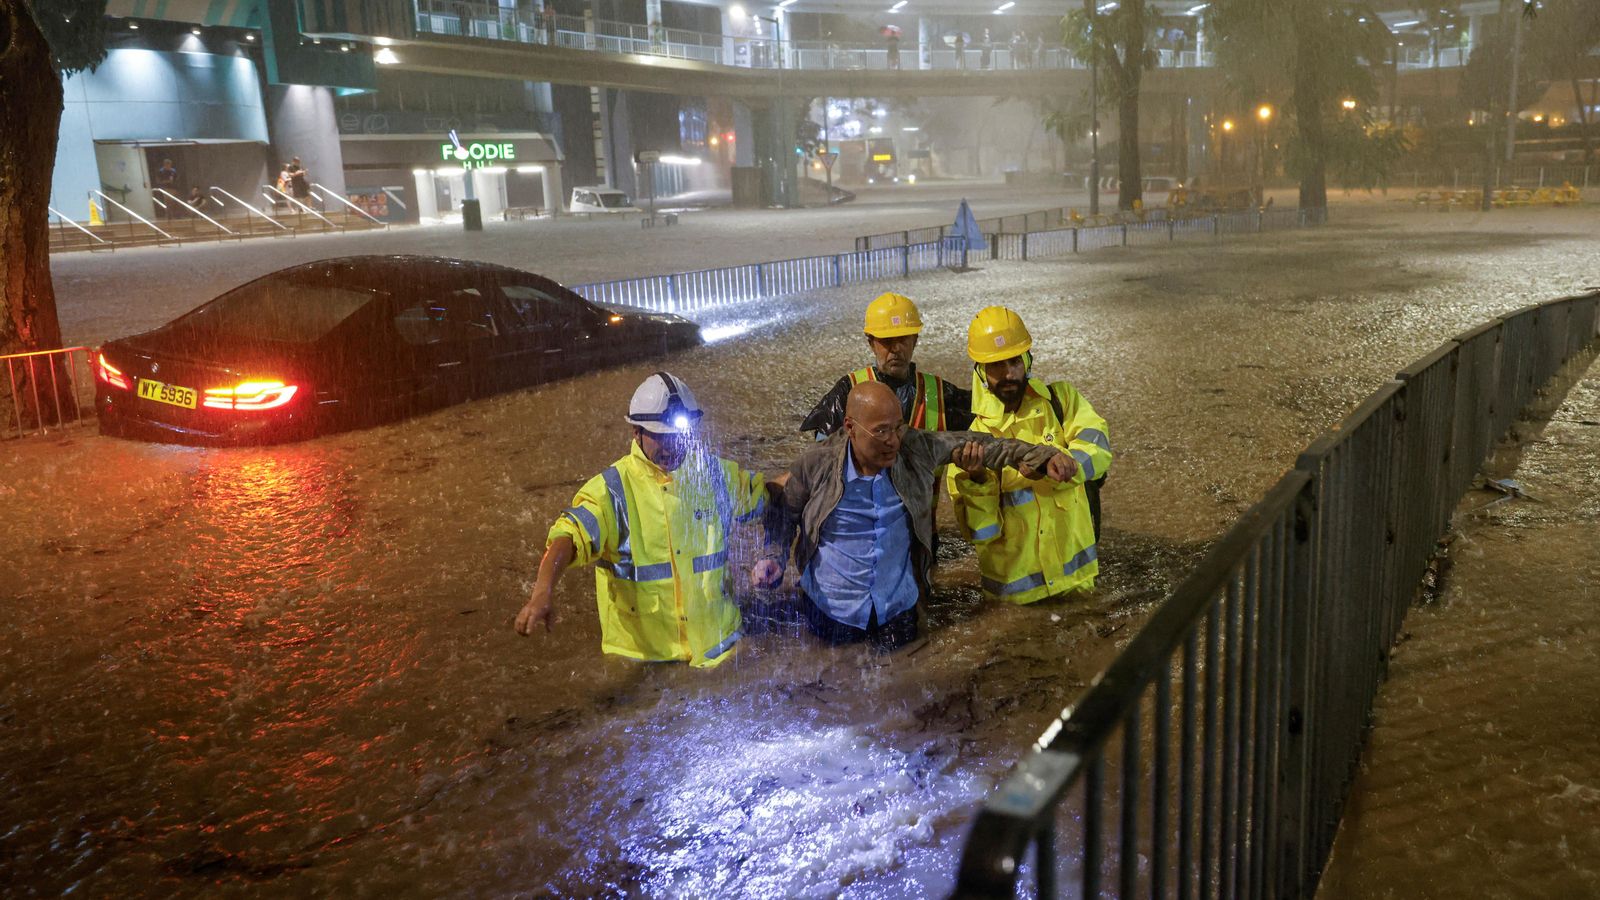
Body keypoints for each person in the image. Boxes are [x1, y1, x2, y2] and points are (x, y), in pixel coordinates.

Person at [757, 381, 1073, 649]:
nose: (894, 440)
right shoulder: (817, 463)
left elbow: (988, 445)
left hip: (898, 612)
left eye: (898, 426)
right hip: (831, 613)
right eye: (881, 431)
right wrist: (772, 555)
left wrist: (1043, 457)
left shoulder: (915, 447)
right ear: (850, 428)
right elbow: (784, 513)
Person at [514, 373, 778, 668]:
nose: (672, 445)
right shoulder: (611, 492)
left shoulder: (716, 476)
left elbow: (770, 497)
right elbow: (567, 538)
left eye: (680, 435)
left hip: (721, 650)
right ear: (635, 433)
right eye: (660, 435)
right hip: (646, 664)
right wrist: (542, 593)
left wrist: (817, 467)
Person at [946, 307, 1112, 605]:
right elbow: (981, 533)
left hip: (1077, 584)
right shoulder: (971, 442)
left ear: (1028, 360)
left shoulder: (1062, 401)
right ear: (980, 371)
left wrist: (1068, 464)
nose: (1008, 373)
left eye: (1014, 361)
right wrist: (978, 478)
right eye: (996, 365)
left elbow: (1099, 450)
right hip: (1016, 603)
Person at [800, 292, 974, 439]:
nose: (896, 348)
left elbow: (986, 412)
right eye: (887, 341)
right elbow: (822, 455)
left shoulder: (940, 393)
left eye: (903, 339)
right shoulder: (848, 389)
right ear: (871, 343)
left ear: (915, 341)